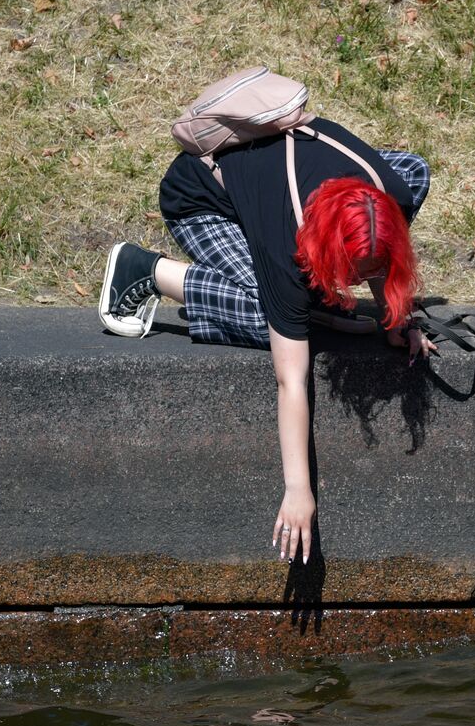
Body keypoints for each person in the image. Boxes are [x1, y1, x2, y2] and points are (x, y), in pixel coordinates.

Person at [98, 118, 437, 568]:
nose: (357, 283)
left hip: (274, 184)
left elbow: (381, 254)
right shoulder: (285, 247)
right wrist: (299, 489)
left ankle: (312, 304)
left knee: (415, 171)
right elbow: (290, 380)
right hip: (204, 201)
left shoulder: (390, 193)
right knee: (269, 319)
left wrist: (398, 314)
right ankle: (145, 270)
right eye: (348, 272)